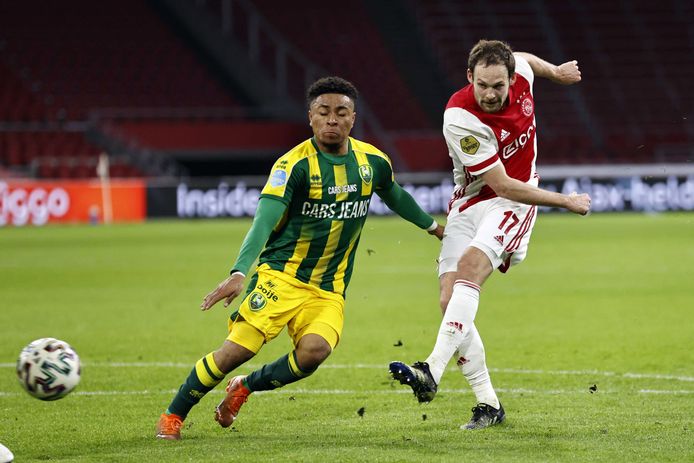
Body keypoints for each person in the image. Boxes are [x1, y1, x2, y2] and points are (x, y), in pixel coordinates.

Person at [155, 76, 444, 440]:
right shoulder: (292, 166)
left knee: (313, 352)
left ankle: (244, 387)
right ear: (310, 116)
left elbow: (394, 194)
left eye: (341, 112)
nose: (332, 119)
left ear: (353, 118)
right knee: (235, 352)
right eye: (323, 112)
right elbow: (264, 220)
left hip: (328, 288)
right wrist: (239, 271)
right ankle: (173, 414)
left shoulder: (373, 162)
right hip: (280, 277)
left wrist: (434, 227)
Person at [389, 40, 591, 430]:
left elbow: (526, 59)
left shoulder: (522, 75)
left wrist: (555, 72)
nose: (490, 93)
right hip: (474, 198)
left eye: (498, 85)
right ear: (470, 77)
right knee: (449, 299)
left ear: (512, 79)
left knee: (470, 267)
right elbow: (499, 182)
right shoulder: (460, 117)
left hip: (515, 201)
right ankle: (489, 404)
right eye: (482, 85)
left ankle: (431, 369)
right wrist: (566, 201)